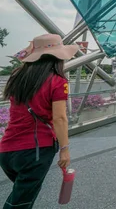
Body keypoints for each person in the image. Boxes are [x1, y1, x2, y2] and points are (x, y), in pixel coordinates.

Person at [0, 34, 77, 207]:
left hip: (7, 151)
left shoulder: (18, 76)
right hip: (34, 151)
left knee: (22, 197)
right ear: (59, 57)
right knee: (20, 203)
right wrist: (64, 150)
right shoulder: (58, 81)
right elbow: (59, 118)